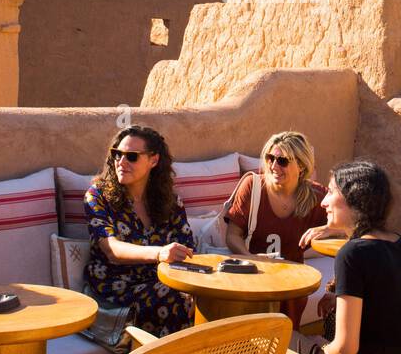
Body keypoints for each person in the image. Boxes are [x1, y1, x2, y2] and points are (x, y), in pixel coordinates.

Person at [274, 160, 401, 354]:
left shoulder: (352, 254)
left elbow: (345, 350)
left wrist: (321, 347)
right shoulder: (400, 244)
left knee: (274, 338)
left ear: (355, 199)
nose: (323, 202)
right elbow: (381, 304)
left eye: (331, 192)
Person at [83, 124, 197, 336]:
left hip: (161, 284)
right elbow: (111, 249)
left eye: (131, 157)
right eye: (118, 155)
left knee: (208, 299)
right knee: (171, 299)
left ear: (153, 160)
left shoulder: (169, 202)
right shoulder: (98, 196)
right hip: (115, 290)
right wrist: (159, 252)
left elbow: (187, 249)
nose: (121, 162)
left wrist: (192, 289)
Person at [224, 131, 331, 325]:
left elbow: (349, 229)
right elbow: (232, 235)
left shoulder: (317, 196)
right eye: (270, 158)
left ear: (300, 165)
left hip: (290, 288)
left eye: (282, 161)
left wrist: (330, 229)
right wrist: (250, 258)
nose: (274, 166)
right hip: (252, 279)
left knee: (283, 343)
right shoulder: (253, 186)